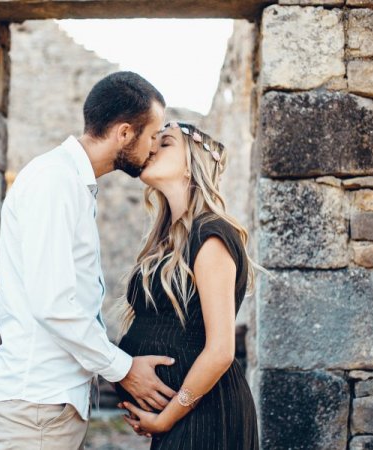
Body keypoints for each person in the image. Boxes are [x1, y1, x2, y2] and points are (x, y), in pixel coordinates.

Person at [0, 72, 178, 449]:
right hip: (37, 404)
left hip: (47, 404)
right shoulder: (54, 182)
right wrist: (123, 370)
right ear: (124, 133)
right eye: (152, 136)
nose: (154, 148)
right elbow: (53, 304)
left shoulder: (72, 183)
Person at [114, 121, 272, 449]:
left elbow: (220, 352)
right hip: (182, 419)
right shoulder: (163, 243)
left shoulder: (211, 235)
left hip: (207, 416)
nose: (152, 147)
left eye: (166, 142)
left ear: (192, 164)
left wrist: (166, 417)